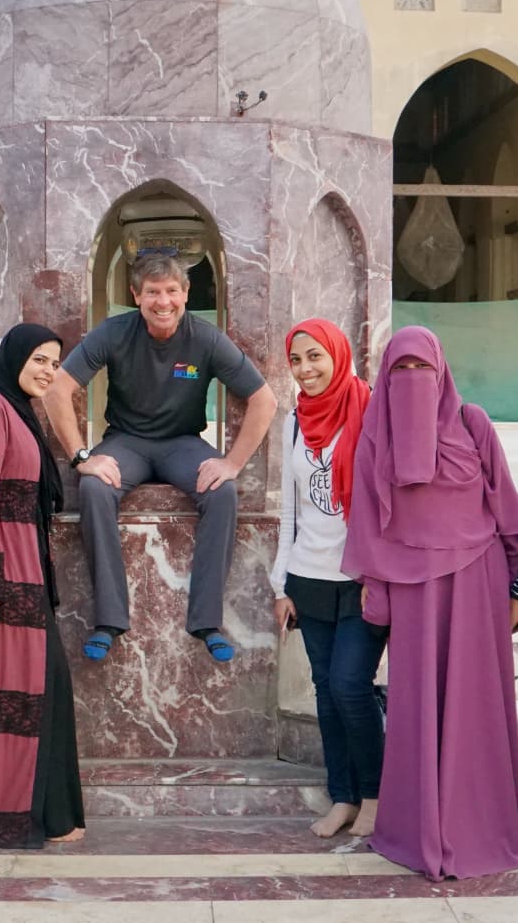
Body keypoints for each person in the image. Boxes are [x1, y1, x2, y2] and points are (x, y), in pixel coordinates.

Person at [344, 325, 518, 879]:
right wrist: (376, 591)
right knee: (416, 708)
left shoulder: (474, 425)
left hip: (477, 585)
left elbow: (509, 515)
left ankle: (480, 825)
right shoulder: (378, 433)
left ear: (442, 372)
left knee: (475, 709)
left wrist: (517, 589)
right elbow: (369, 521)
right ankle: (419, 828)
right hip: (412, 591)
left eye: (423, 369)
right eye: (401, 370)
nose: (413, 381)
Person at [43, 252, 277, 663]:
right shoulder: (114, 333)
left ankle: (207, 623)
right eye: (152, 292)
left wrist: (232, 463)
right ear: (136, 295)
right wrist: (82, 457)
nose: (162, 301)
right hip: (126, 442)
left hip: (181, 444)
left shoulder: (205, 338)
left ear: (186, 294)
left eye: (172, 290)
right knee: (94, 488)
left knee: (223, 492)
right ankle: (108, 621)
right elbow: (57, 390)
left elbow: (264, 399)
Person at [0, 323, 85, 848]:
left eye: (55, 362)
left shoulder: (19, 412)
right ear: (12, 358)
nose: (48, 370)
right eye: (39, 359)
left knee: (42, 693)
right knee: (10, 696)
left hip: (27, 578)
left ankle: (49, 817)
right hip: (2, 582)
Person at [271, 319, 386, 838]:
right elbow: (290, 511)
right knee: (325, 689)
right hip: (308, 577)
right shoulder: (295, 421)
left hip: (361, 577)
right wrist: (281, 585)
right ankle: (341, 797)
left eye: (315, 356)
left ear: (337, 355)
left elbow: (388, 501)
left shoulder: (371, 411)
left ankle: (376, 796)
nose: (306, 369)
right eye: (297, 360)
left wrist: (378, 572)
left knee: (350, 687)